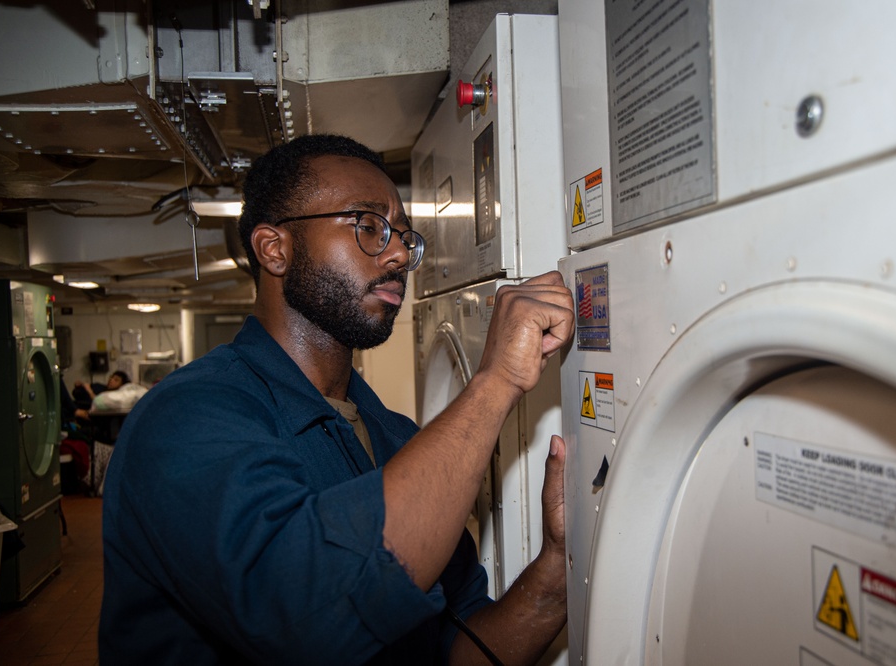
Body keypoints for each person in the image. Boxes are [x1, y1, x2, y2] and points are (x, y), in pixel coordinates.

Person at [99, 133, 575, 664]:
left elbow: (456, 649)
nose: (397, 254)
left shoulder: (396, 440)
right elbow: (308, 619)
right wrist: (495, 382)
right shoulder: (186, 421)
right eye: (367, 225)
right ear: (273, 249)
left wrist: (555, 572)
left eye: (401, 235)